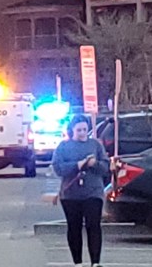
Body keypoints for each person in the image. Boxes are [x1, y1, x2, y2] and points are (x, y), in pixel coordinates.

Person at [52, 114, 110, 267]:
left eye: (85, 129)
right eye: (79, 130)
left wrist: (94, 164)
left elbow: (105, 167)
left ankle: (95, 262)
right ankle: (77, 262)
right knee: (74, 226)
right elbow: (58, 168)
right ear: (72, 131)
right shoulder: (63, 147)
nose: (83, 133)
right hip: (70, 194)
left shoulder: (96, 145)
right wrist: (77, 165)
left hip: (93, 192)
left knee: (93, 225)